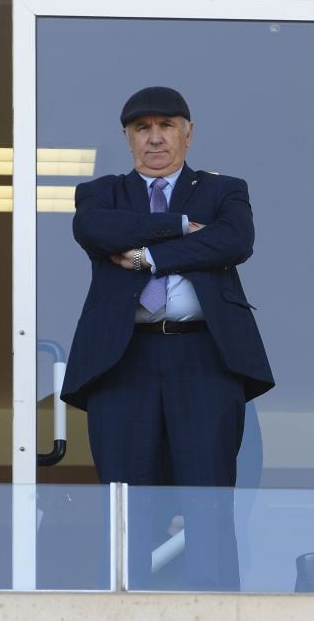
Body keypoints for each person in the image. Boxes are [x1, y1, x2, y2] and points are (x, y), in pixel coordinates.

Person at [61, 86, 274, 589]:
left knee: (209, 501)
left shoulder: (225, 190)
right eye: (142, 128)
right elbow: (96, 231)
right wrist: (180, 225)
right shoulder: (101, 194)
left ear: (188, 132)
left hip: (204, 356)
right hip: (123, 360)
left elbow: (235, 240)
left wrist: (149, 257)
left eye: (167, 126)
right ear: (127, 138)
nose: (155, 139)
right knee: (126, 503)